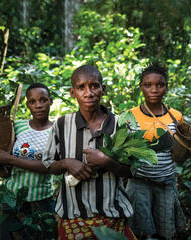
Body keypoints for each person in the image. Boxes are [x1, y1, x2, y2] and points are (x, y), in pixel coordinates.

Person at [43, 65, 136, 240]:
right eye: (81, 87)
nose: (88, 93)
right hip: (73, 217)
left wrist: (106, 161)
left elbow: (131, 171)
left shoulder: (120, 125)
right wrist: (66, 163)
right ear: (73, 93)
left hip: (112, 216)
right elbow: (48, 164)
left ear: (103, 90)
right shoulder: (62, 125)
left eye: (94, 86)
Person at [0, 82, 59, 239]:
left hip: (42, 201)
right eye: (32, 101)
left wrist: (10, 159)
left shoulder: (58, 130)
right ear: (27, 105)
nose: (38, 105)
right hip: (12, 200)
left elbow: (51, 166)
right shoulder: (17, 127)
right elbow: (5, 172)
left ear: (50, 101)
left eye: (43, 100)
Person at [126, 64, 186, 240]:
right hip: (139, 183)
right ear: (141, 87)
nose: (154, 89)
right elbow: (124, 151)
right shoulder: (130, 115)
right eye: (148, 85)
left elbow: (180, 150)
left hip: (166, 183)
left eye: (160, 85)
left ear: (166, 87)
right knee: (139, 232)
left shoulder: (175, 116)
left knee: (165, 231)